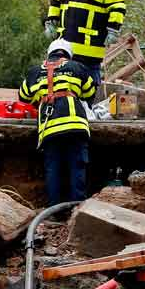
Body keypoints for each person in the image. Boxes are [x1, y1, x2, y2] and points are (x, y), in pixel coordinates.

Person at [19, 39, 97, 205]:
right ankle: (78, 210)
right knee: (77, 166)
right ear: (68, 54)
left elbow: (23, 97)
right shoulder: (77, 67)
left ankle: (54, 212)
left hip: (49, 128)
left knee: (53, 169)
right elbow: (89, 92)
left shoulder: (34, 72)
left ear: (50, 53)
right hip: (75, 125)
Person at [44, 0, 127, 98]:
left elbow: (117, 7)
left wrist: (113, 29)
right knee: (62, 92)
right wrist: (50, 22)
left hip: (91, 53)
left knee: (88, 92)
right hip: (65, 51)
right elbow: (55, 2)